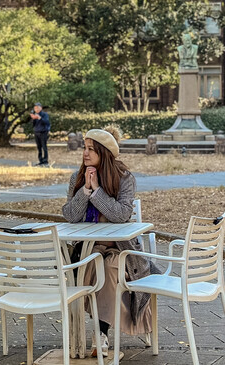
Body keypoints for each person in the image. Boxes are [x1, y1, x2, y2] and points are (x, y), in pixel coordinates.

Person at [62, 127, 154, 358]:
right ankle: (89, 335)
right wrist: (84, 190)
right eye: (85, 147)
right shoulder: (77, 177)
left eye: (91, 149)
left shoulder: (124, 178)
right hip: (88, 249)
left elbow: (122, 214)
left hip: (119, 250)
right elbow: (70, 215)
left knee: (110, 269)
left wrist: (97, 193)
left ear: (104, 153)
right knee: (90, 268)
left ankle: (100, 333)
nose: (85, 153)